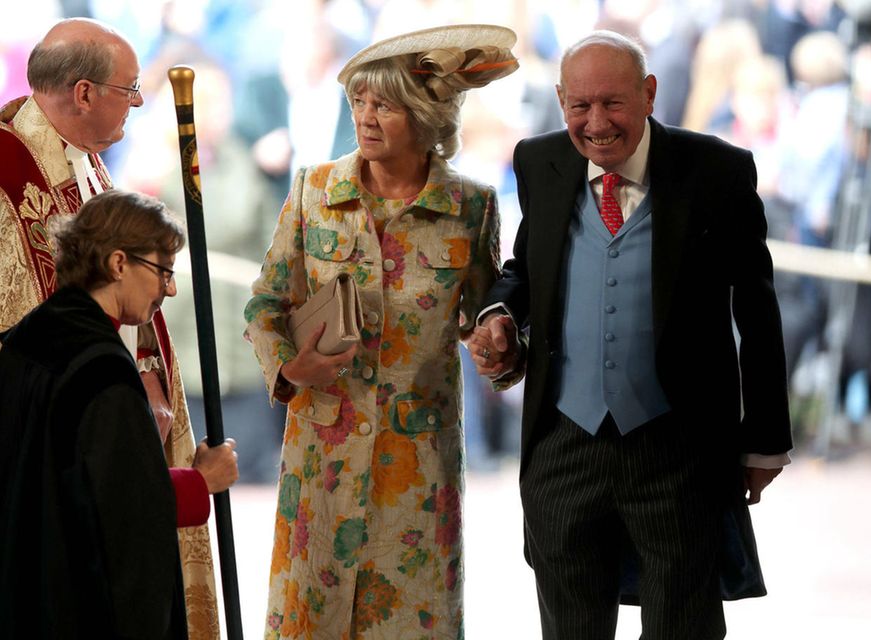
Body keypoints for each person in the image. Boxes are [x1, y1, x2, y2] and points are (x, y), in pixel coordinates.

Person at [468, 31, 793, 639]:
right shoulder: (539, 161)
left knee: (683, 627)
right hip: (563, 444)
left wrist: (766, 441)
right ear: (561, 100)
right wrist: (499, 313)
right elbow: (525, 270)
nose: (596, 124)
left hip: (678, 448)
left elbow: (757, 308)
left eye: (613, 104)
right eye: (580, 106)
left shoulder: (718, 171)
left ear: (648, 93)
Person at [243, 24, 517, 638]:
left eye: (384, 105)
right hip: (321, 465)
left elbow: (490, 322)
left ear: (426, 116)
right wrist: (290, 367)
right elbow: (264, 304)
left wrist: (497, 350)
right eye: (359, 102)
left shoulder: (472, 207)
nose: (365, 118)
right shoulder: (315, 191)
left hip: (417, 471)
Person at [0, 18, 221, 636]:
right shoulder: (5, 169)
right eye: (129, 89)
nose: (137, 102)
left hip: (118, 407)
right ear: (84, 93)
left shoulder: (89, 163)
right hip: (61, 435)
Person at [0, 190, 239, 638]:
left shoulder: (28, 336)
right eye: (163, 271)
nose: (169, 288)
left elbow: (58, 476)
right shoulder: (102, 368)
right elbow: (121, 507)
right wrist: (202, 481)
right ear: (118, 264)